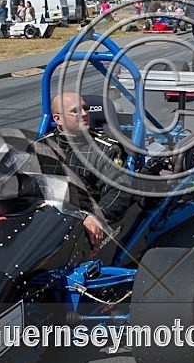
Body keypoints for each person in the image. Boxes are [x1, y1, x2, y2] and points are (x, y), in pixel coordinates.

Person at [38, 92, 133, 254]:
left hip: (83, 223)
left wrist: (97, 216)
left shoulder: (106, 150)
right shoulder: (40, 146)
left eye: (85, 108)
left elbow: (119, 191)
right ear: (57, 119)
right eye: (75, 111)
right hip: (46, 221)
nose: (84, 114)